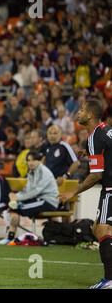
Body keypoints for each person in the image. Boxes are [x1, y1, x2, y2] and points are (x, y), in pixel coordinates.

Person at [58, 99, 112, 289]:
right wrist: (88, 152)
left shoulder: (94, 136)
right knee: (98, 229)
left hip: (110, 189)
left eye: (82, 109)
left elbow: (96, 175)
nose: (78, 112)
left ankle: (109, 280)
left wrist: (73, 191)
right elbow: (107, 151)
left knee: (103, 230)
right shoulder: (105, 130)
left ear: (90, 115)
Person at [0, 149, 59, 245]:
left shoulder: (42, 171)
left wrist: (18, 198)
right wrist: (16, 196)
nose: (31, 163)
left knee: (17, 206)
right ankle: (10, 238)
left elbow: (36, 191)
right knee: (15, 206)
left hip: (48, 201)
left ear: (39, 161)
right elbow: (27, 190)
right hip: (39, 200)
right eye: (29, 160)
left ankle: (11, 238)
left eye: (33, 160)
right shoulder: (31, 172)